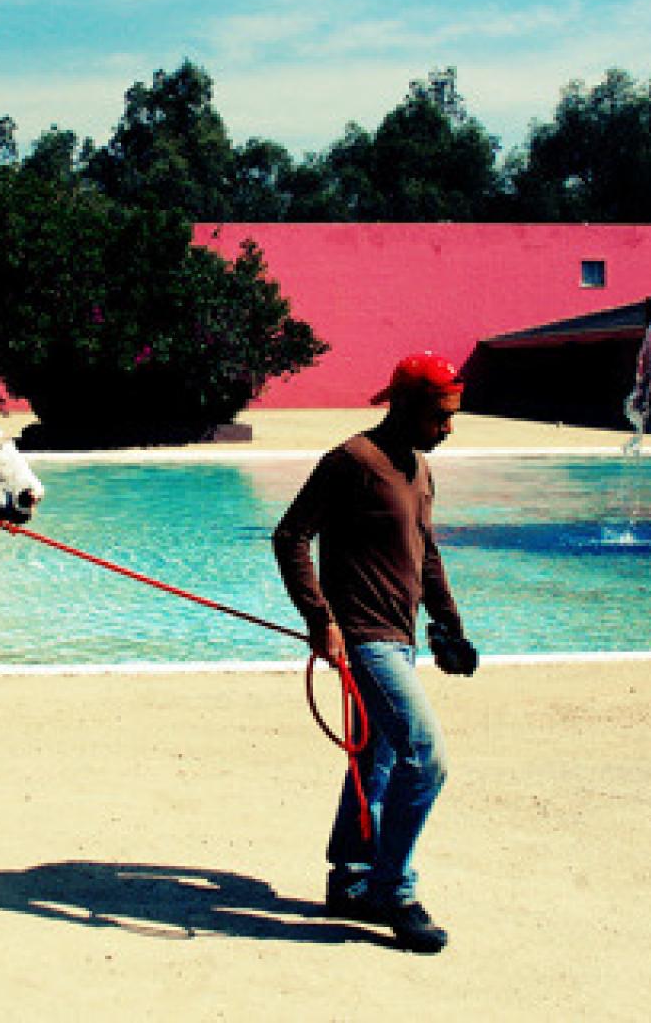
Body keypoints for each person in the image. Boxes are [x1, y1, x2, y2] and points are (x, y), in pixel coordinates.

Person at [272, 350, 480, 954]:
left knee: (377, 764)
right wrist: (320, 619)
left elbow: (428, 552)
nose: (448, 429)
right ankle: (395, 888)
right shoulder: (351, 462)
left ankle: (352, 878)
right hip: (365, 640)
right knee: (426, 757)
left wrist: (449, 627)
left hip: (402, 638)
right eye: (440, 416)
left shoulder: (417, 468)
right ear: (408, 407)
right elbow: (291, 536)